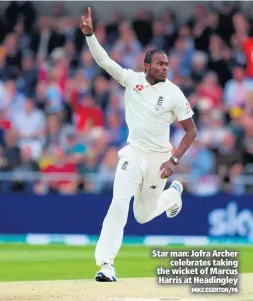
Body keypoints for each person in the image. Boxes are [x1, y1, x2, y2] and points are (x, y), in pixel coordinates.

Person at [80, 8, 197, 282]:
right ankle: (106, 264)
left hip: (159, 161)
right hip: (133, 154)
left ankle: (172, 195)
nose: (165, 68)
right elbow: (104, 61)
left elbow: (191, 131)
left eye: (167, 64)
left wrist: (174, 161)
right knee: (118, 204)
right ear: (147, 66)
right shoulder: (132, 81)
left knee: (143, 216)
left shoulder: (174, 94)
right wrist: (90, 36)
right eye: (160, 64)